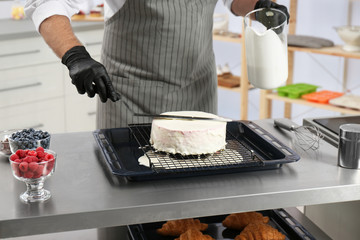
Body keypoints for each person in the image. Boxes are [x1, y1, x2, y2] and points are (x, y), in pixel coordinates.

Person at [25, 0, 289, 128]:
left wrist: (258, 6)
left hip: (200, 95)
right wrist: (75, 56)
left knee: (197, 201)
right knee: (131, 207)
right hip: (131, 101)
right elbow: (47, 3)